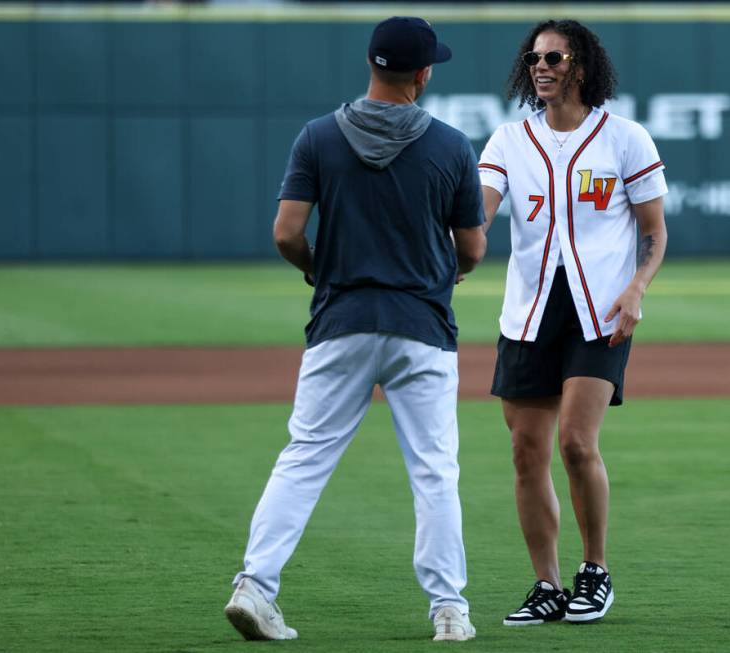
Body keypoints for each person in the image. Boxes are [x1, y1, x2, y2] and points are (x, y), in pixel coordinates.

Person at [224, 16, 486, 643]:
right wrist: (442, 274)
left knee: (305, 458)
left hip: (340, 320)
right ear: (422, 74)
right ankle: (449, 610)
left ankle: (255, 588)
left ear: (373, 66)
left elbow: (287, 233)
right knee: (434, 471)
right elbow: (472, 248)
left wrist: (324, 271)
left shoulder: (318, 137)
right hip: (420, 323)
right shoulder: (451, 145)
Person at [477, 19, 668, 625]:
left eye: (555, 56)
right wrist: (456, 245)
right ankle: (547, 584)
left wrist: (637, 289)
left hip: (599, 310)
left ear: (580, 65)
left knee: (575, 442)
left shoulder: (625, 137)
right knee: (526, 451)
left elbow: (655, 231)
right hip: (528, 313)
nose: (542, 66)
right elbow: (478, 216)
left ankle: (595, 571)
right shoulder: (509, 139)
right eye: (534, 57)